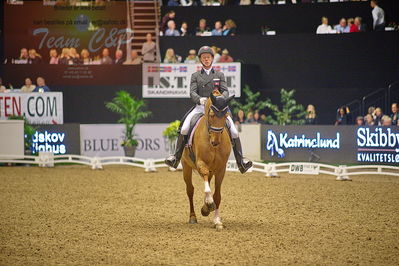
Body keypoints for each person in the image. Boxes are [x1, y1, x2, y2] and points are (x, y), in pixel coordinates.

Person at [165, 46, 252, 174]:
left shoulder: (219, 74)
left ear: (212, 59)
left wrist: (221, 98)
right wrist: (200, 99)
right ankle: (175, 158)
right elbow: (192, 92)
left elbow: (226, 90)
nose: (206, 59)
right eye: (204, 58)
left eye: (209, 57)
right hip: (200, 108)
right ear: (200, 59)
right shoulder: (195, 76)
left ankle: (241, 161)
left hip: (218, 109)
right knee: (184, 128)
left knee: (233, 130)